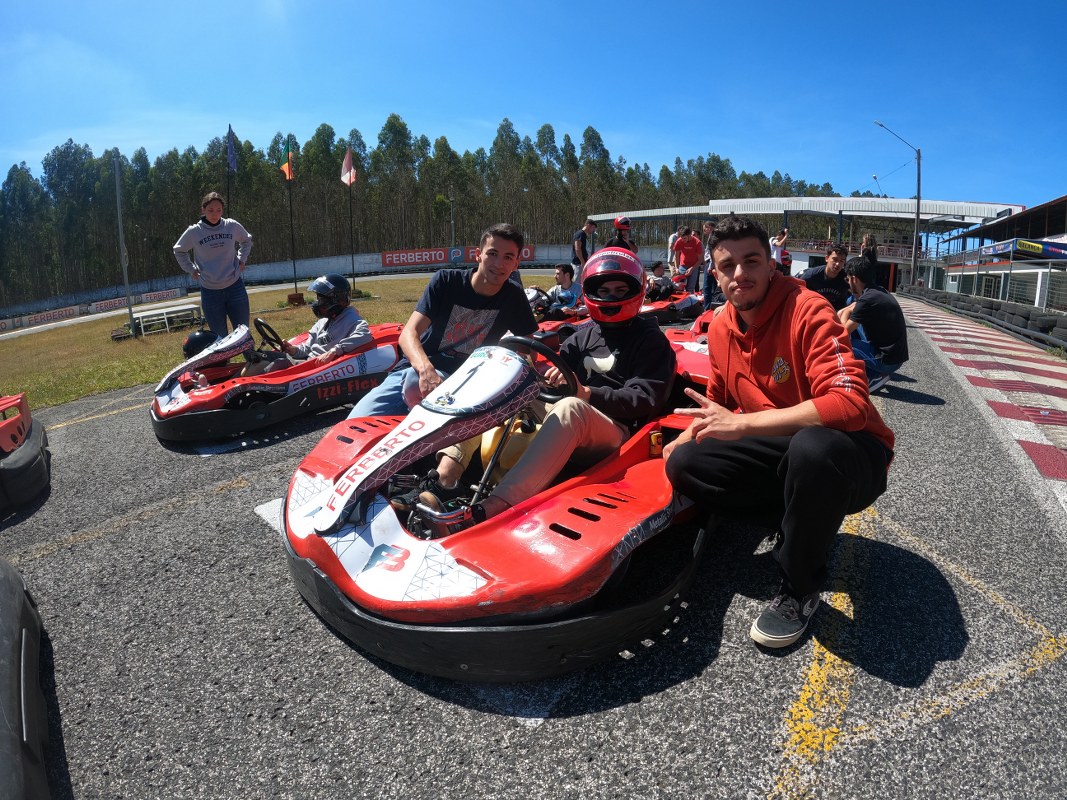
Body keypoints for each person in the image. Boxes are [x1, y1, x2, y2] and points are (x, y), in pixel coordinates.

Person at [663, 216, 895, 650]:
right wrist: (686, 435)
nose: (740, 274)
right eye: (727, 266)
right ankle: (794, 520)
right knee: (685, 462)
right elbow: (717, 405)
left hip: (852, 450)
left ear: (772, 265)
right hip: (785, 445)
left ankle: (798, 586)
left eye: (752, 261)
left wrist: (744, 423)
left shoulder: (808, 309)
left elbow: (850, 404)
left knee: (812, 450)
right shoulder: (718, 328)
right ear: (714, 274)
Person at [400, 246, 676, 526]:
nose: (611, 297)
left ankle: (491, 508)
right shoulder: (582, 337)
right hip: (569, 413)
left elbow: (647, 398)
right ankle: (444, 478)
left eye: (620, 291)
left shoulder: (650, 341)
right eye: (604, 291)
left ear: (636, 291)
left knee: (572, 408)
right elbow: (551, 378)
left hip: (618, 432)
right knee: (499, 388)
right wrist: (534, 377)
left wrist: (588, 394)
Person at [348, 223, 537, 418]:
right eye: (492, 254)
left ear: (516, 264)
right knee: (354, 424)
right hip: (418, 369)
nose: (499, 264)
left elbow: (528, 347)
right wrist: (425, 370)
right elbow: (408, 334)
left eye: (508, 257)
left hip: (467, 383)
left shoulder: (514, 296)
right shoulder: (446, 281)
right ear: (478, 255)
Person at [241, 274, 371, 375]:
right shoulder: (322, 322)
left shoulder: (351, 318)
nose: (317, 303)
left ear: (336, 299)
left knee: (279, 364)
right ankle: (232, 384)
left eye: (321, 299)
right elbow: (307, 348)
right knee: (261, 356)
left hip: (317, 367)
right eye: (318, 299)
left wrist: (335, 350)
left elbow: (365, 335)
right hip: (305, 361)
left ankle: (250, 390)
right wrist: (294, 350)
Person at [173, 192, 253, 336]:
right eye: (210, 210)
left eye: (218, 210)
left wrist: (242, 259)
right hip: (210, 292)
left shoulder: (232, 226)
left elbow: (246, 240)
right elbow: (179, 251)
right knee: (219, 337)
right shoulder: (194, 232)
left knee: (243, 334)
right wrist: (191, 269)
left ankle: (251, 358)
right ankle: (223, 360)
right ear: (203, 209)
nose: (215, 214)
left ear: (222, 210)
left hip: (235, 288)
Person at [838, 257, 909, 392]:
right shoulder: (878, 291)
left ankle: (873, 376)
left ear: (854, 279)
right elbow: (854, 308)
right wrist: (848, 309)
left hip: (887, 361)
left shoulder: (867, 299)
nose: (848, 284)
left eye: (848, 280)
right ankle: (868, 370)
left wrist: (845, 312)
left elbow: (842, 333)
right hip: (895, 356)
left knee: (839, 345)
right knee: (851, 310)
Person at [799, 245, 850, 311]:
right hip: (814, 311)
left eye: (842, 261)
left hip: (837, 313)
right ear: (827, 258)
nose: (838, 264)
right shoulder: (811, 276)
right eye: (835, 259)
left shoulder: (847, 278)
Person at [671, 227, 704, 293]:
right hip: (683, 266)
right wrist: (677, 268)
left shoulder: (697, 242)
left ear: (689, 235)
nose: (683, 240)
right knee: (679, 287)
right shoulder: (679, 241)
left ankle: (689, 301)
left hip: (694, 266)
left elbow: (700, 260)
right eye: (681, 238)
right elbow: (676, 256)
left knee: (690, 288)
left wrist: (692, 268)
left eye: (684, 238)